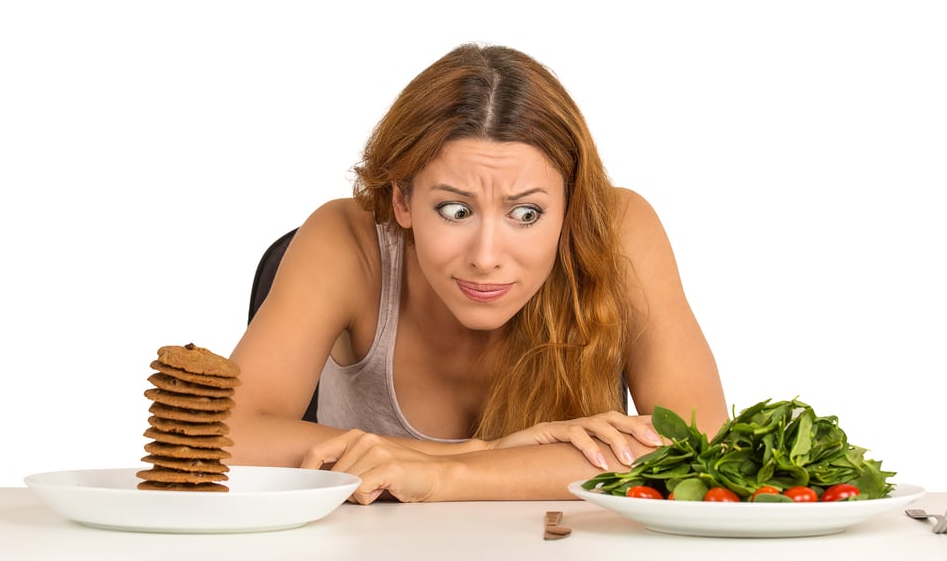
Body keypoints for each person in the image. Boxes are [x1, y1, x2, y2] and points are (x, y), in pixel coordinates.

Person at [227, 43, 726, 503]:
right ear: (402, 199)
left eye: (526, 214)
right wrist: (486, 451)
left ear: (570, 208)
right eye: (454, 211)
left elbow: (701, 447)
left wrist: (447, 476)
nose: (486, 257)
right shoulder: (348, 240)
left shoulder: (620, 230)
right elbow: (225, 437)